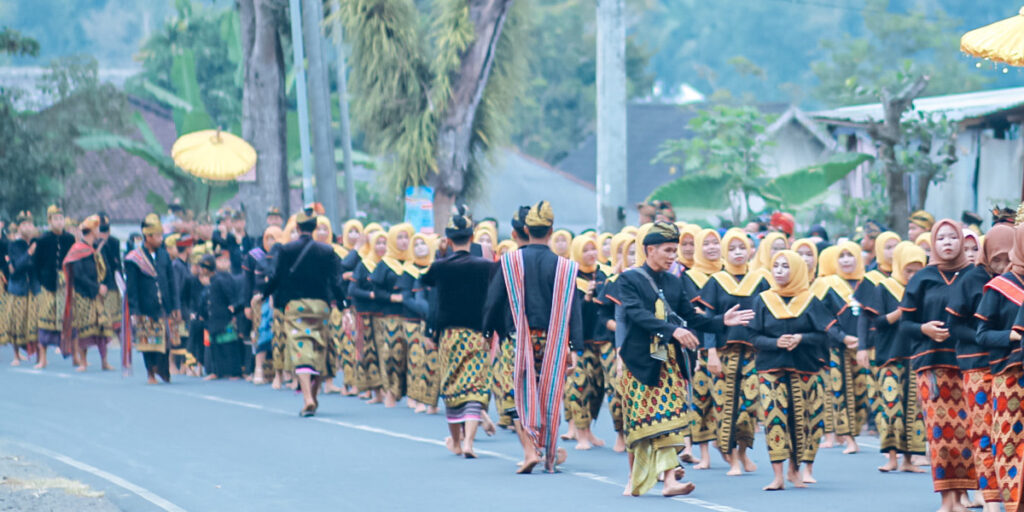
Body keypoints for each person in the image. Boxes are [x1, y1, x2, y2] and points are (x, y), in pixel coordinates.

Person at [610, 221, 753, 496]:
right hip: (638, 361)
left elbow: (692, 316)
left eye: (675, 251)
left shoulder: (675, 282)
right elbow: (637, 315)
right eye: (667, 250)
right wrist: (673, 330)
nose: (673, 256)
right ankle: (633, 478)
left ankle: (669, 481)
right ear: (649, 249)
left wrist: (722, 320)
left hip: (668, 362)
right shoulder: (629, 279)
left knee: (672, 418)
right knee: (639, 422)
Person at [483, 200, 584, 474]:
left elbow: (494, 302)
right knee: (548, 394)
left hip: (518, 340)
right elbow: (573, 309)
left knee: (519, 393)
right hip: (553, 341)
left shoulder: (510, 261)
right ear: (551, 230)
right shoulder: (564, 266)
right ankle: (547, 451)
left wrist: (487, 333)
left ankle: (529, 450)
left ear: (526, 229)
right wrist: (574, 346)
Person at [900, 218, 976, 512]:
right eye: (941, 237)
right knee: (941, 434)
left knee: (967, 432)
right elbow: (905, 324)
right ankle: (947, 500)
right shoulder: (922, 278)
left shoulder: (975, 276)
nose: (947, 242)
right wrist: (925, 330)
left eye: (952, 237)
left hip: (968, 364)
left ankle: (963, 497)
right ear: (933, 243)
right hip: (932, 364)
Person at [749, 250, 831, 491]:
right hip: (771, 368)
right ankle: (777, 476)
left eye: (786, 266)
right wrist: (775, 343)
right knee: (775, 419)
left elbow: (823, 334)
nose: (780, 271)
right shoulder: (763, 299)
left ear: (797, 270)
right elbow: (753, 336)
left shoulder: (811, 300)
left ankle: (796, 471)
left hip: (804, 368)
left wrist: (800, 338)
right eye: (777, 266)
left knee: (803, 420)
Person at [421, 208, 497, 457]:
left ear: (449, 240)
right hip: (477, 335)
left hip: (450, 336)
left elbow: (429, 289)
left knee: (451, 386)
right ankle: (469, 443)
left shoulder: (440, 267)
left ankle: (456, 441)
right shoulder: (486, 267)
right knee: (475, 387)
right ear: (472, 238)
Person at [257, 207, 345, 416]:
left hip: (295, 307)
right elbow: (336, 281)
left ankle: (307, 398)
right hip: (321, 308)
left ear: (297, 227)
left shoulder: (286, 250)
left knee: (301, 349)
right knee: (318, 348)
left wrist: (263, 294)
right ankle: (313, 396)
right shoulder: (327, 251)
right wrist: (342, 303)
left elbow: (276, 277)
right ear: (315, 227)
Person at [697, 228, 770, 474]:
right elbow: (709, 321)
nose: (738, 253)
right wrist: (712, 353)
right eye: (732, 249)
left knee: (749, 406)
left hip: (753, 353)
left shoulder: (761, 280)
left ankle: (742, 452)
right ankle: (732, 460)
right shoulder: (716, 282)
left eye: (742, 248)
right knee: (723, 407)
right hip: (724, 352)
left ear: (751, 250)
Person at [857, 242, 928, 474]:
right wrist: (901, 312)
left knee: (913, 409)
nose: (913, 275)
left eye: (918, 270)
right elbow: (875, 321)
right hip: (889, 354)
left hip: (916, 354)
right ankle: (891, 456)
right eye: (908, 270)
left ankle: (909, 459)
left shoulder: (924, 289)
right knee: (890, 406)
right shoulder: (884, 287)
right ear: (899, 267)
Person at [964, 224, 1015, 512]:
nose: (1003, 266)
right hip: (978, 368)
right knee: (986, 436)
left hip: (1008, 369)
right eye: (997, 260)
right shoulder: (975, 281)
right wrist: (1006, 338)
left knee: (1008, 436)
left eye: (1008, 259)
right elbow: (969, 329)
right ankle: (992, 499)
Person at [563, 233, 614, 450]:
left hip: (600, 339)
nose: (591, 254)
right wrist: (585, 299)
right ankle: (581, 434)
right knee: (579, 386)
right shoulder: (571, 277)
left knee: (597, 387)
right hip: (580, 341)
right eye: (586, 250)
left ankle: (589, 430)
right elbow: (568, 313)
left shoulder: (604, 274)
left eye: (594, 249)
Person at [124, 213, 180, 383]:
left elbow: (172, 282)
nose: (161, 239)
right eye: (157, 236)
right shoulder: (134, 259)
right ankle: (150, 372)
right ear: (147, 237)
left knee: (165, 342)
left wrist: (175, 306)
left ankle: (161, 370)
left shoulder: (164, 255)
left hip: (163, 305)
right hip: (145, 306)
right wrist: (135, 310)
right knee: (148, 342)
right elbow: (132, 288)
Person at [59, 216, 113, 372]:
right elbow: (79, 276)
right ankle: (83, 361)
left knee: (102, 327)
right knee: (84, 329)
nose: (99, 232)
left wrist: (104, 286)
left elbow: (106, 269)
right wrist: (96, 288)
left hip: (97, 295)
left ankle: (104, 361)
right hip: (83, 295)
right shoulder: (77, 250)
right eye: (96, 229)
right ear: (91, 231)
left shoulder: (94, 250)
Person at [371, 223, 416, 407]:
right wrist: (392, 297)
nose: (404, 241)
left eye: (407, 237)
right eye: (400, 237)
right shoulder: (385, 264)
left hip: (411, 315)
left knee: (411, 356)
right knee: (391, 354)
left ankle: (412, 395)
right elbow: (376, 291)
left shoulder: (415, 261)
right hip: (390, 315)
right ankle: (390, 390)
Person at [401, 233, 439, 413]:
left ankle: (431, 400)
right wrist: (426, 311)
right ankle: (414, 397)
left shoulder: (437, 267)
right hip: (413, 321)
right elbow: (407, 298)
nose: (420, 248)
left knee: (432, 361)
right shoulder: (409, 271)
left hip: (433, 321)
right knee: (416, 359)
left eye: (423, 244)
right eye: (415, 245)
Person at [33, 205, 76, 364]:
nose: (59, 222)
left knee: (70, 319)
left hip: (65, 284)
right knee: (45, 321)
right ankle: (43, 358)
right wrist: (41, 283)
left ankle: (76, 357)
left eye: (61, 218)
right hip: (48, 285)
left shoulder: (70, 239)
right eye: (56, 219)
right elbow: (36, 264)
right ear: (49, 221)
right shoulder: (42, 240)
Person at [350, 229, 388, 402]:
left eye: (384, 243)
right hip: (364, 314)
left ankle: (388, 391)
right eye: (377, 243)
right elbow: (353, 290)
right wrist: (371, 295)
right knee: (366, 352)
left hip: (383, 316)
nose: (381, 247)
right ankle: (374, 391)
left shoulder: (390, 264)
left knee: (384, 352)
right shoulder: (364, 264)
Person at [243, 226, 283, 385]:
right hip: (260, 302)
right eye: (268, 238)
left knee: (279, 336)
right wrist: (247, 304)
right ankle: (258, 369)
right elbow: (248, 282)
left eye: (275, 238)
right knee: (261, 335)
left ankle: (278, 372)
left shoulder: (284, 256)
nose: (271, 242)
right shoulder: (255, 257)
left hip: (279, 302)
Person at [201, 251, 245, 380]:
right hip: (214, 318)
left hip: (224, 317)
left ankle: (235, 372)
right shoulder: (213, 281)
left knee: (229, 345)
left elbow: (230, 297)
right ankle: (217, 371)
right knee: (215, 345)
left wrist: (233, 309)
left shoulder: (221, 280)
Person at [3, 212, 38, 365]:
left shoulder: (36, 243)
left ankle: (36, 353)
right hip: (17, 287)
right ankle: (16, 355)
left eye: (30, 224)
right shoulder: (13, 245)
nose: (27, 227)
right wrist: (29, 253)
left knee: (32, 322)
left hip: (32, 288)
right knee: (16, 322)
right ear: (18, 227)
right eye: (24, 225)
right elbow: (16, 267)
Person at [96, 213, 122, 336]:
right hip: (98, 286)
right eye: (101, 230)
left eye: (106, 230)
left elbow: (117, 265)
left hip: (112, 284)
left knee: (116, 321)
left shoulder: (114, 242)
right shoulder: (93, 243)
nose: (103, 234)